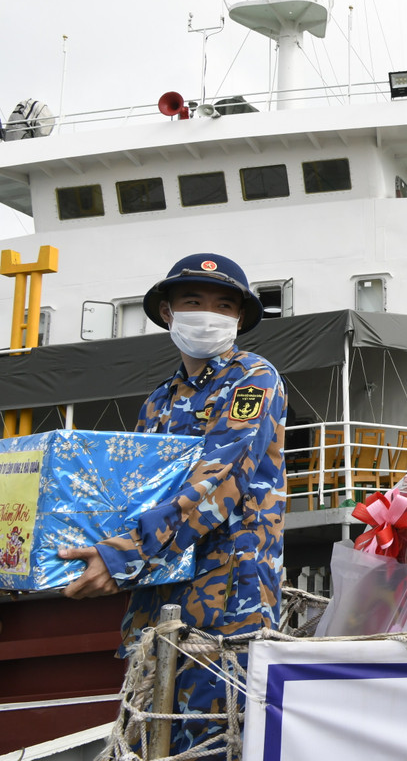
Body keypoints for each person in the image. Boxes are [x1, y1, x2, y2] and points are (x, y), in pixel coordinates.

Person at [59, 253, 287, 757]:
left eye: (224, 305)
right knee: (149, 742)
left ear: (239, 319)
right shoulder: (160, 401)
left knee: (211, 747)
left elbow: (220, 483)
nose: (208, 314)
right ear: (167, 312)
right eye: (193, 302)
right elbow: (136, 495)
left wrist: (118, 556)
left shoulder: (253, 379)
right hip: (159, 607)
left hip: (226, 605)